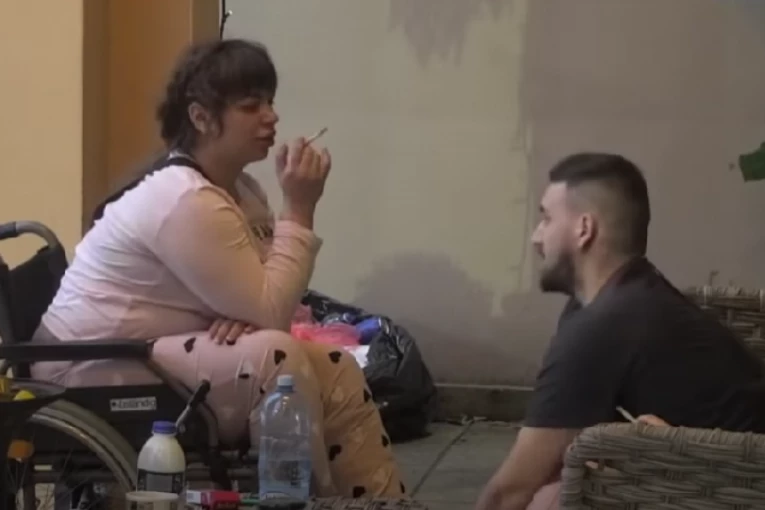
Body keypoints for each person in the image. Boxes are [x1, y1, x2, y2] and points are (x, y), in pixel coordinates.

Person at [30, 38, 404, 498]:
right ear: (201, 118)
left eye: (270, 102)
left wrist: (253, 313)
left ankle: (384, 501)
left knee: (334, 365)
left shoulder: (242, 192)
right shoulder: (185, 199)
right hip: (87, 369)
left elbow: (271, 299)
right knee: (275, 359)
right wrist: (300, 209)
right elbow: (272, 312)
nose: (271, 116)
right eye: (251, 106)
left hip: (145, 353)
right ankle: (312, 501)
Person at [475, 153, 765, 510]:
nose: (536, 237)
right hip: (702, 474)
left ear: (584, 229)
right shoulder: (624, 297)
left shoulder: (605, 325)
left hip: (739, 486)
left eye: (547, 218)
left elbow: (507, 494)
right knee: (553, 489)